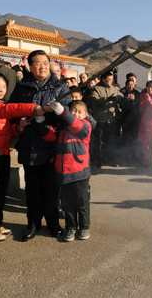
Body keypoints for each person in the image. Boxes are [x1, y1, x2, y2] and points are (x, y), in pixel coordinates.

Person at [0, 73, 45, 245]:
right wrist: (32, 108)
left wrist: (19, 127)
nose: (2, 90)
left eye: (4, 87)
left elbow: (9, 131)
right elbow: (4, 111)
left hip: (2, 151)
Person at [9, 50, 70, 241]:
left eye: (45, 62)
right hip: (29, 145)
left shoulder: (60, 87)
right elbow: (12, 111)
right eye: (37, 63)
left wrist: (56, 111)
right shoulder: (22, 88)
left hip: (51, 146)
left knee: (52, 189)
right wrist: (19, 123)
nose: (42, 67)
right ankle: (32, 224)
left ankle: (53, 224)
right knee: (32, 189)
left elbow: (67, 115)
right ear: (30, 66)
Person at [48, 100, 96, 242]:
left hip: (80, 171)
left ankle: (84, 226)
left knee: (82, 201)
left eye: (79, 112)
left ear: (86, 115)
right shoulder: (63, 128)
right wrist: (40, 121)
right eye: (73, 110)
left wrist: (63, 112)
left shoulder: (85, 126)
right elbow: (49, 137)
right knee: (67, 203)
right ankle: (71, 227)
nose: (76, 114)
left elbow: (75, 124)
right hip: (64, 172)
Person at [90, 71, 124, 168]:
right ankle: (99, 161)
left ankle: (111, 160)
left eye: (112, 79)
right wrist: (107, 99)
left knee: (111, 142)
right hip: (100, 120)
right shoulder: (96, 89)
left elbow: (120, 96)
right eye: (108, 79)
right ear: (103, 79)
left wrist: (125, 98)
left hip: (111, 120)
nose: (110, 81)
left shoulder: (114, 88)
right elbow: (95, 100)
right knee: (99, 142)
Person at [120, 78, 141, 161]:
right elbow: (121, 106)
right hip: (126, 121)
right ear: (126, 86)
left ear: (135, 85)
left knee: (135, 139)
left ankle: (135, 157)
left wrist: (134, 100)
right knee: (126, 139)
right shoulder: (123, 94)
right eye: (129, 85)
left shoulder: (138, 94)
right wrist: (126, 100)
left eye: (132, 85)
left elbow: (139, 106)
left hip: (135, 120)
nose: (130, 86)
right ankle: (126, 158)